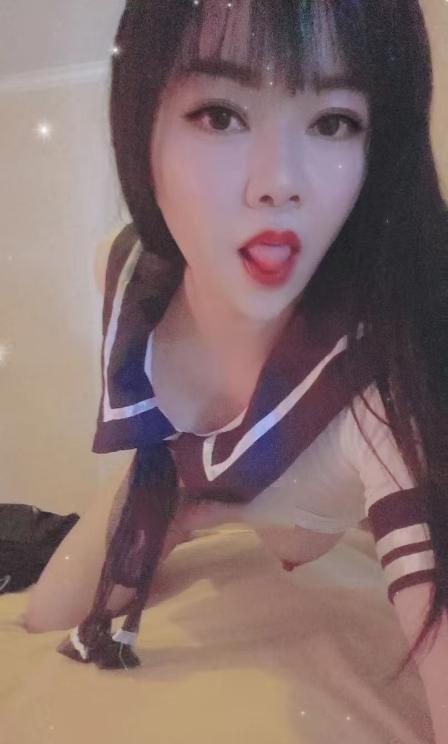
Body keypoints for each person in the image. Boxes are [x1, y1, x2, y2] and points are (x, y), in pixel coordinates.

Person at [23, 1, 448, 735]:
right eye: (220, 115)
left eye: (333, 122)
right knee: (42, 617)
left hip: (315, 509)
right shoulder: (126, 275)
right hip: (173, 477)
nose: (278, 183)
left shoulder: (376, 389)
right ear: (140, 125)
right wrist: (177, 514)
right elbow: (51, 616)